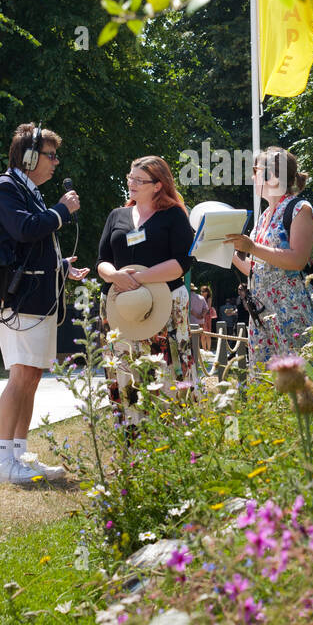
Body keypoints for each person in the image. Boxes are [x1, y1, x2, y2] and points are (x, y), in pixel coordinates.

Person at [0, 123, 88, 485]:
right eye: (50, 155)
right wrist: (61, 211)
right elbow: (24, 229)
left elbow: (29, 246)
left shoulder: (28, 190)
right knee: (21, 374)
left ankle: (18, 452)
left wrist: (61, 267)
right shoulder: (6, 186)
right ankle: (2, 462)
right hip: (20, 299)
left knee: (31, 375)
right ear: (29, 157)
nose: (56, 163)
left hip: (36, 294)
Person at [97, 156, 195, 427]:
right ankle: (131, 443)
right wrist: (115, 275)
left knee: (166, 375)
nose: (132, 184)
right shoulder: (117, 215)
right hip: (121, 309)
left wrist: (140, 278)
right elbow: (101, 261)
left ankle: (173, 445)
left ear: (158, 185)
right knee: (124, 373)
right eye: (130, 178)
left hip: (166, 308)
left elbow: (182, 263)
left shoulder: (173, 215)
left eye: (139, 180)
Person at [226, 147, 313, 373]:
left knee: (301, 380)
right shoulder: (264, 217)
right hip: (262, 316)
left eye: (255, 170)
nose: (252, 176)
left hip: (292, 311)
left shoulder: (300, 209)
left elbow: (298, 260)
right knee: (266, 385)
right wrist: (222, 251)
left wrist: (252, 247)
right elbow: (255, 269)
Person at [200, 284, 217, 352]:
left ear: (207, 292)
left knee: (208, 334)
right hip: (201, 317)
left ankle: (208, 349)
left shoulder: (209, 298)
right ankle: (204, 349)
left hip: (207, 317)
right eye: (201, 291)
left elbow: (208, 307)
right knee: (202, 334)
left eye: (203, 291)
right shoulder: (200, 298)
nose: (202, 293)